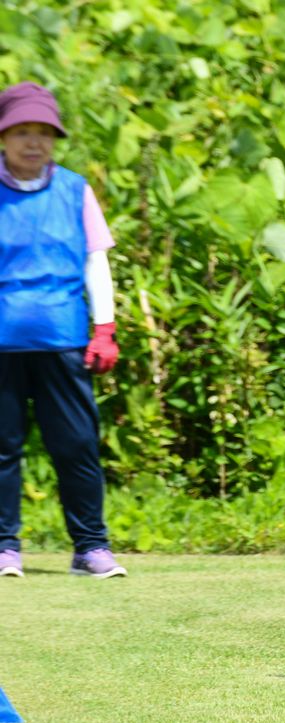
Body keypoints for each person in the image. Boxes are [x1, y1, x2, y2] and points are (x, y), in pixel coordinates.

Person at [0, 82, 125, 580]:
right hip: (2, 343)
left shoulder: (75, 189)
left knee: (75, 446)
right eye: (22, 131)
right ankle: (5, 547)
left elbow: (96, 263)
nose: (34, 142)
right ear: (4, 137)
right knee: (2, 449)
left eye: (44, 133)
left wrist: (105, 329)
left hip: (64, 339)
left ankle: (91, 548)